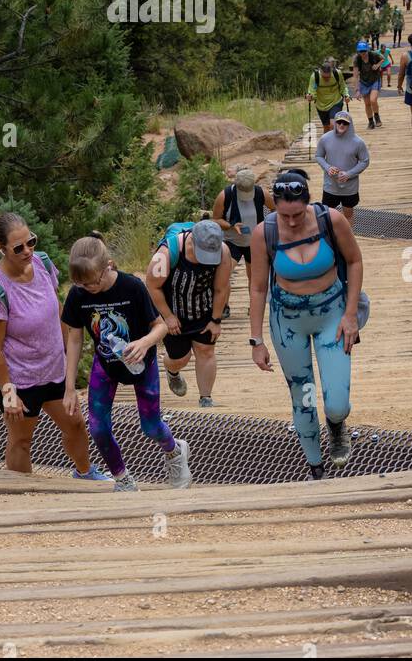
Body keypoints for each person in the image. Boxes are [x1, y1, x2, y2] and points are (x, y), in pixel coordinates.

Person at [0, 211, 107, 481]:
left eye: (31, 242)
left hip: (52, 370)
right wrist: (8, 392)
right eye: (18, 247)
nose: (28, 250)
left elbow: (57, 311)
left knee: (75, 424)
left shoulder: (43, 264)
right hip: (19, 379)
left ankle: (84, 473)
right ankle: (19, 493)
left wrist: (69, 357)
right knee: (22, 439)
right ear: (1, 248)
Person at [249, 170, 363, 479]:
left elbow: (354, 261)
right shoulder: (264, 233)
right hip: (287, 323)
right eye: (284, 215)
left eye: (297, 214)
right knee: (304, 396)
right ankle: (316, 466)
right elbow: (258, 288)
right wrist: (256, 340)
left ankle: (337, 425)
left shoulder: (332, 221)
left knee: (336, 400)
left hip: (332, 316)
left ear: (308, 203)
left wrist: (350, 314)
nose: (291, 222)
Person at [62, 234, 191, 493]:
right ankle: (122, 478)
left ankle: (175, 451)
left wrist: (144, 343)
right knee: (98, 428)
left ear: (108, 266)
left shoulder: (132, 287)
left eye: (94, 282)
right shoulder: (78, 294)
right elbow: (74, 340)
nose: (90, 288)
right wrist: (69, 387)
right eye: (83, 284)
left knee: (151, 426)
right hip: (107, 363)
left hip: (142, 363)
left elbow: (161, 327)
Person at [146, 220, 232, 408]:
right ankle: (172, 371)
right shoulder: (168, 252)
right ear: (192, 240)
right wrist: (167, 316)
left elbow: (221, 288)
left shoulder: (223, 252)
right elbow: (152, 285)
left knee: (206, 351)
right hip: (173, 310)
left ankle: (206, 398)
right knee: (180, 359)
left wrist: (216, 319)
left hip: (203, 307)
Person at [212, 169, 274, 291]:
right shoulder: (225, 196)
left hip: (254, 242)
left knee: (254, 279)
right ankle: (225, 307)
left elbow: (275, 210)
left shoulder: (262, 194)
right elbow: (215, 220)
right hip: (232, 241)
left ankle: (253, 308)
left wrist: (266, 226)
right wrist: (231, 225)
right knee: (223, 276)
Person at [314, 110, 369, 224]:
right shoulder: (325, 139)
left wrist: (349, 174)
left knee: (348, 214)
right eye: (339, 122)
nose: (341, 125)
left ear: (350, 124)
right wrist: (327, 167)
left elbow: (365, 161)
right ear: (335, 123)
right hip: (330, 185)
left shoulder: (358, 142)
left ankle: (347, 240)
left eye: (345, 123)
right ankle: (330, 239)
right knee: (327, 215)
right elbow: (319, 156)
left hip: (349, 187)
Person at [306, 57, 351, 131]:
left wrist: (346, 95)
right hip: (321, 105)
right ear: (321, 72)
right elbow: (312, 91)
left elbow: (343, 86)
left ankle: (335, 141)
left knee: (333, 125)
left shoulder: (337, 73)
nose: (326, 79)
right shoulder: (315, 77)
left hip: (336, 101)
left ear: (331, 71)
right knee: (326, 128)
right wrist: (310, 97)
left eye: (328, 77)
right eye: (324, 77)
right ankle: (328, 141)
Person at [352, 39, 385, 130]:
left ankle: (377, 117)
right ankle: (370, 122)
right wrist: (357, 89)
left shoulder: (373, 55)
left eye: (364, 51)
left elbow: (383, 59)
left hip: (374, 79)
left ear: (367, 49)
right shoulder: (357, 59)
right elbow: (355, 75)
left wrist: (377, 65)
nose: (363, 53)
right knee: (367, 104)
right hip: (364, 82)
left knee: (373, 100)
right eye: (361, 51)